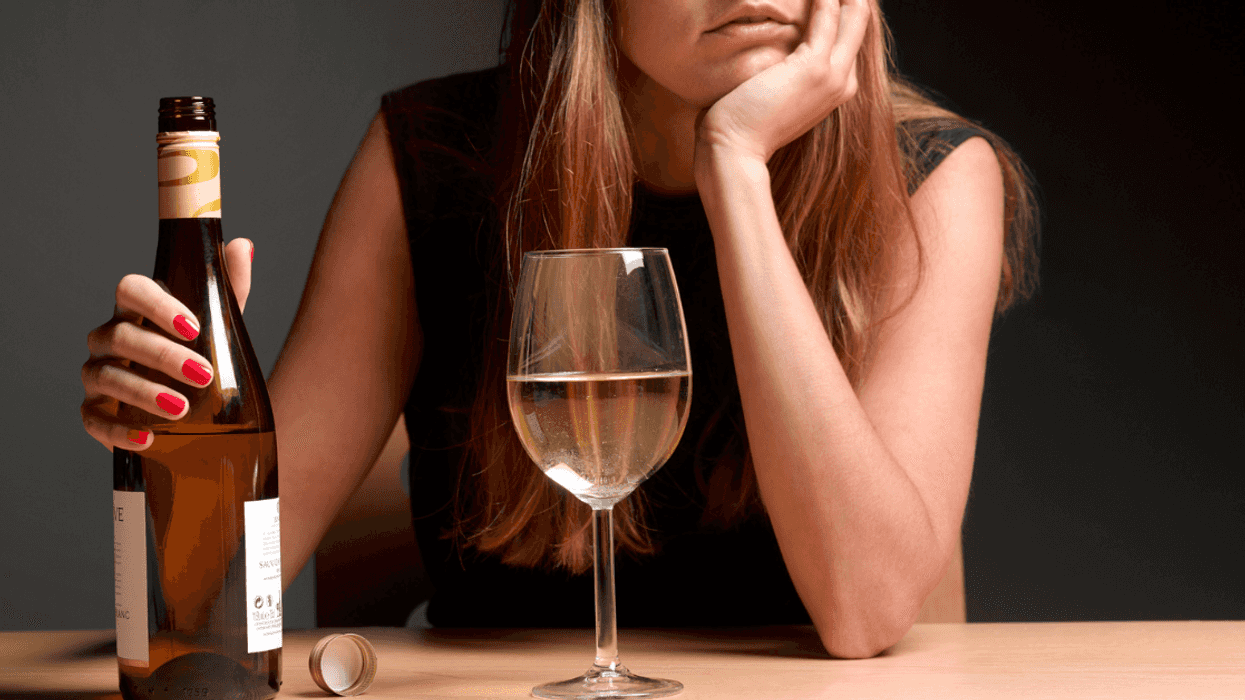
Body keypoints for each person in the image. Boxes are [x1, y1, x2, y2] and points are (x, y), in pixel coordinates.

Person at [81, 0, 1036, 658]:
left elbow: (863, 611)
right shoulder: (434, 155)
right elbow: (202, 599)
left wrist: (733, 165)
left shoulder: (932, 178)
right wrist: (186, 433)